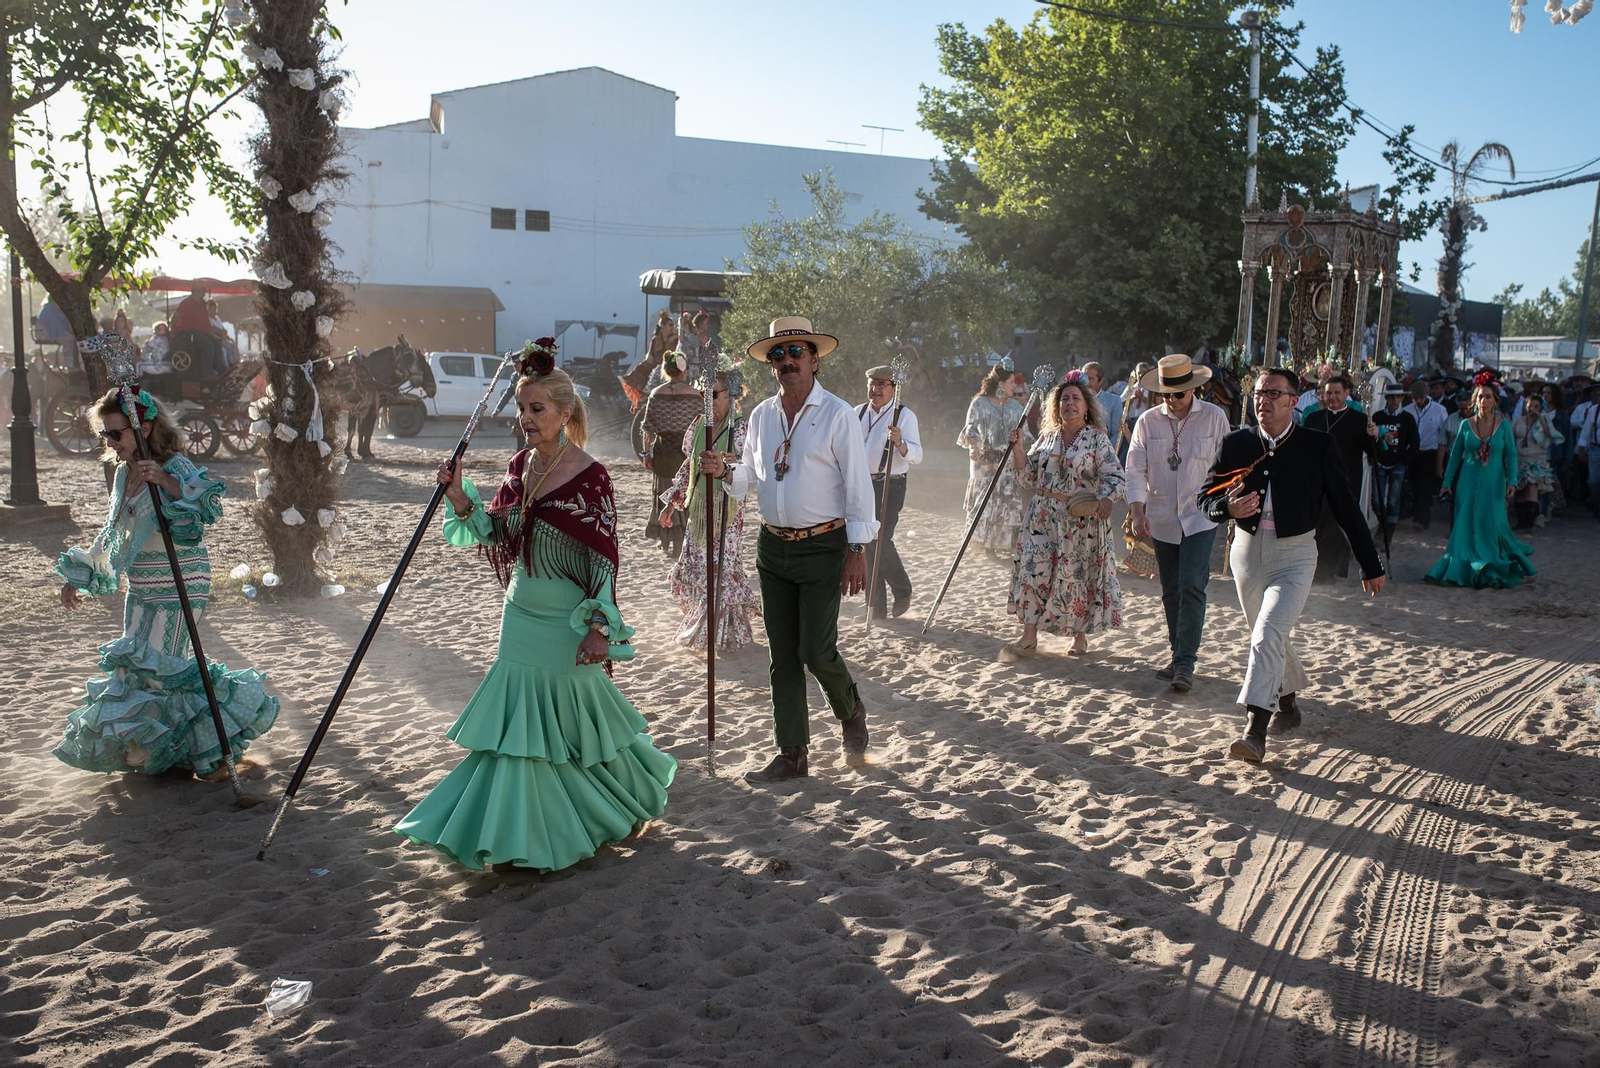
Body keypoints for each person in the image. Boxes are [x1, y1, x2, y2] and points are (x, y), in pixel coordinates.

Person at [397, 351, 675, 871]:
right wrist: (458, 494)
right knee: (518, 738)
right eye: (522, 409)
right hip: (519, 614)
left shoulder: (592, 477)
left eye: (537, 409)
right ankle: (516, 838)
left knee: (577, 728)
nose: (525, 419)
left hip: (566, 623)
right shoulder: (519, 466)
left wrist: (598, 629)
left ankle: (619, 805)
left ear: (565, 413)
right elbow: (497, 532)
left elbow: (604, 559)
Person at [53, 387, 279, 779]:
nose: (110, 443)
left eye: (116, 433)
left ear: (144, 427)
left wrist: (165, 481)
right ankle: (155, 750)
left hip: (181, 580)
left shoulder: (176, 465)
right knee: (134, 666)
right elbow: (114, 533)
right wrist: (80, 575)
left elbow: (206, 507)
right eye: (104, 434)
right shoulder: (123, 474)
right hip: (141, 584)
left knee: (166, 668)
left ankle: (207, 756)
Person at [700, 316, 877, 782]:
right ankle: (792, 753)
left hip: (825, 546)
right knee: (782, 654)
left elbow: (859, 487)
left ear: (815, 359)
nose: (786, 362)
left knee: (816, 651)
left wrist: (857, 548)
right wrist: (724, 471)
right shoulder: (760, 415)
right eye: (777, 355)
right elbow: (750, 480)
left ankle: (851, 711)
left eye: (796, 352)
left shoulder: (838, 414)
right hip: (771, 547)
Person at [1198, 367, 1385, 763]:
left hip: (1296, 555)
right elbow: (1205, 497)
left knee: (1265, 634)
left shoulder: (1317, 445)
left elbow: (1346, 506)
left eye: (1272, 393)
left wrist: (1370, 564)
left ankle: (1254, 730)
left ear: (1293, 402)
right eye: (1259, 393)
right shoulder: (1236, 442)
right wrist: (1226, 507)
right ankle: (1288, 706)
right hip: (1245, 554)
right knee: (1270, 636)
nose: (1262, 400)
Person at [1000, 372, 1125, 661]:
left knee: (1077, 577)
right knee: (1032, 571)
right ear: (1056, 406)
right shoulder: (1046, 439)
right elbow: (1027, 476)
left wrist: (1106, 499)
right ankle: (1029, 637)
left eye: (1075, 399)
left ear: (1086, 406)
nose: (1069, 403)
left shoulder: (1097, 440)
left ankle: (1080, 637)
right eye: (1064, 399)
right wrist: (1018, 447)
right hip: (1042, 516)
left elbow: (1116, 476)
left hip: (1081, 521)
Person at [1124, 354, 1230, 692]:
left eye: (1179, 394)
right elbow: (1134, 469)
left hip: (1201, 516)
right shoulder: (1147, 422)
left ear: (1193, 389)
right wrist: (1137, 511)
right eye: (1167, 394)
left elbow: (1225, 468)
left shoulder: (1215, 418)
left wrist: (1225, 506)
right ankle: (1177, 653)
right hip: (1161, 517)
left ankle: (1185, 662)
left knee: (1191, 585)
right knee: (1170, 589)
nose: (1172, 400)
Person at [658, 364, 758, 652]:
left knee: (721, 570)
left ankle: (719, 631)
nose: (708, 399)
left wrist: (728, 465)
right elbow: (689, 469)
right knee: (698, 567)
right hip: (699, 511)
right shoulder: (699, 425)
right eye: (704, 393)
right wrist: (671, 505)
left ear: (732, 395)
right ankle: (706, 625)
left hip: (728, 511)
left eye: (714, 394)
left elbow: (749, 469)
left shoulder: (742, 428)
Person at [1426, 379, 1535, 588]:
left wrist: (1512, 480)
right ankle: (1462, 569)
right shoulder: (1465, 425)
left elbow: (1511, 456)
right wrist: (1447, 482)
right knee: (1464, 525)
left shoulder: (1503, 426)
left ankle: (1492, 565)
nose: (1483, 400)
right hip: (1466, 483)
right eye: (1479, 397)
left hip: (1494, 484)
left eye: (1487, 396)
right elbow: (1456, 454)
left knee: (1493, 524)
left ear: (1495, 401)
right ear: (1474, 401)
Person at [857, 363, 922, 618]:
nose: (876, 389)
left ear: (894, 389)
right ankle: (876, 606)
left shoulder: (904, 415)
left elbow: (917, 455)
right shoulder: (857, 413)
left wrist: (901, 443)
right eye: (872, 384)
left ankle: (902, 589)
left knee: (880, 540)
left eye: (882, 384)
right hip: (862, 483)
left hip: (890, 482)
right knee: (867, 541)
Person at [1303, 374, 1378, 583]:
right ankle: (1315, 568)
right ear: (1322, 394)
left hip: (1346, 480)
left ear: (1347, 394)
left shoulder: (1360, 420)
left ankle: (1328, 570)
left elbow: (1373, 454)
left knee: (1337, 526)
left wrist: (1374, 437)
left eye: (1337, 393)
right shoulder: (1313, 419)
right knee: (1318, 524)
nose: (1333, 397)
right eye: (1328, 393)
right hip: (1317, 481)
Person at [958, 366, 1031, 561]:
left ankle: (1003, 544)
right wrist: (974, 447)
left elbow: (1026, 434)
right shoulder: (979, 404)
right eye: (1011, 382)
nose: (1014, 386)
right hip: (983, 462)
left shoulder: (1015, 407)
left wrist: (1020, 445)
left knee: (1006, 502)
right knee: (986, 501)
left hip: (1006, 462)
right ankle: (985, 544)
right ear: (1000, 384)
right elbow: (970, 429)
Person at [640, 352, 701, 557]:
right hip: (685, 453)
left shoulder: (656, 394)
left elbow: (647, 428)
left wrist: (646, 453)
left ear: (666, 370)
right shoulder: (695, 395)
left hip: (663, 452)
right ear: (683, 370)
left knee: (662, 493)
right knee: (684, 493)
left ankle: (665, 541)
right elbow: (702, 426)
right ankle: (681, 542)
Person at [1370, 385, 1419, 544]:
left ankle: (1388, 533)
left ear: (1402, 398)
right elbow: (1370, 438)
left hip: (1398, 463)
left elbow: (1415, 443)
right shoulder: (1377, 417)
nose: (1394, 400)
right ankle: (1383, 525)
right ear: (1386, 399)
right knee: (1376, 499)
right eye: (1391, 397)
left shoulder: (1407, 418)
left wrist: (1404, 460)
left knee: (1393, 499)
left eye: (1397, 397)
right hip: (1380, 461)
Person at [1511, 392, 1562, 531]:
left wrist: (1541, 417)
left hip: (1536, 460)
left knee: (1532, 489)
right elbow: (1510, 438)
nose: (1532, 408)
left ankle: (1530, 523)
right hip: (1520, 459)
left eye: (1536, 406)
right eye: (1529, 405)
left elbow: (1549, 435)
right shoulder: (1517, 421)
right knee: (1520, 492)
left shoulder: (1543, 421)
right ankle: (1521, 522)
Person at [1403, 382, 1449, 529]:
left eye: (1421, 398)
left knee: (1425, 486)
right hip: (1413, 453)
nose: (1418, 401)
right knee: (1415, 484)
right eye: (1415, 398)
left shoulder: (1439, 410)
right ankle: (1419, 512)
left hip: (1431, 453)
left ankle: (1421, 519)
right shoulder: (1407, 410)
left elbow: (1444, 433)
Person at [1082, 361, 1123, 452]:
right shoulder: (1075, 401)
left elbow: (1117, 434)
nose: (1086, 383)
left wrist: (1106, 454)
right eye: (1083, 379)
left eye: (1090, 379)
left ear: (1101, 380)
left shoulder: (1114, 401)